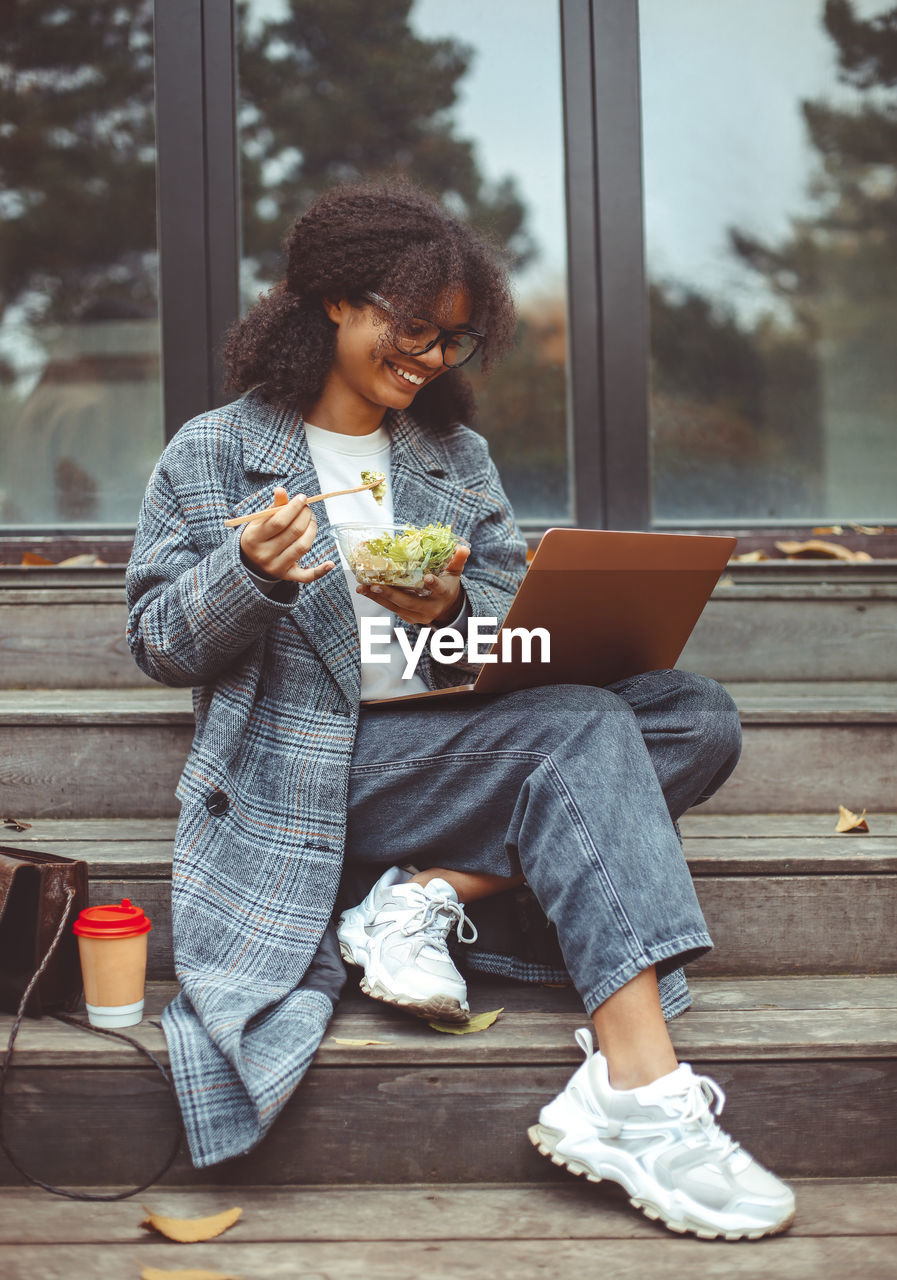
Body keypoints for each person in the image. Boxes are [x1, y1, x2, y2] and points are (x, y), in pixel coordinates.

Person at [126, 182, 795, 1241]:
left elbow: (504, 617)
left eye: (453, 340)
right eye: (412, 329)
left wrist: (452, 606)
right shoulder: (215, 452)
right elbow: (158, 639)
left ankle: (426, 891)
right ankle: (636, 1094)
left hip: (460, 736)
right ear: (337, 302)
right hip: (310, 766)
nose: (430, 358)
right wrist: (247, 573)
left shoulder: (453, 459)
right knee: (582, 730)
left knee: (694, 713)